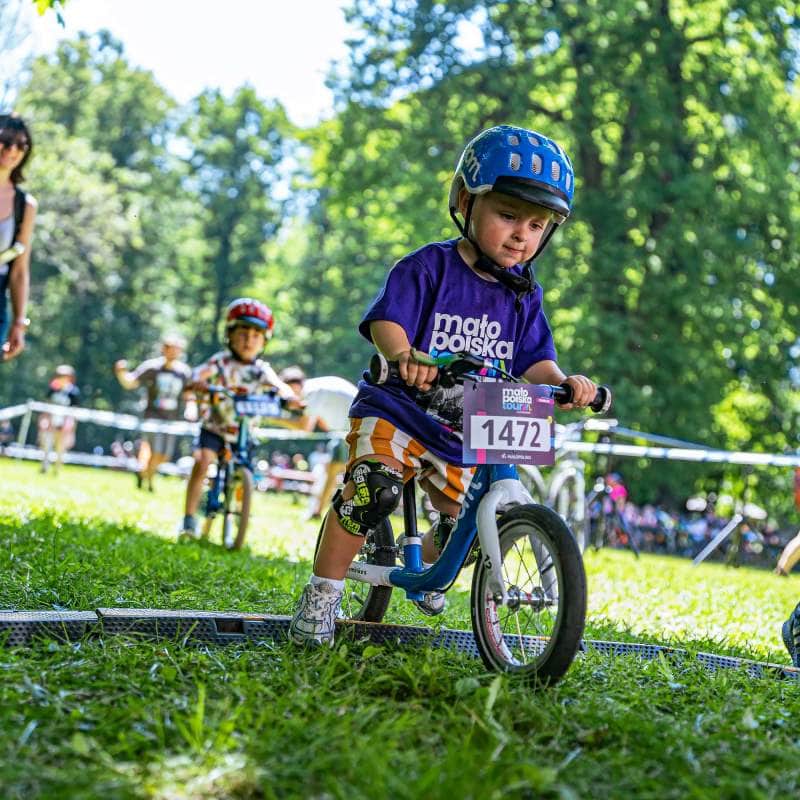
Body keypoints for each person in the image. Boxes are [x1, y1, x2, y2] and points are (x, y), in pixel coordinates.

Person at [290, 124, 598, 646]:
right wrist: (404, 355)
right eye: (507, 215)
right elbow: (388, 322)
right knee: (372, 491)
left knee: (475, 522)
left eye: (537, 224)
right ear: (465, 200)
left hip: (466, 423)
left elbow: (536, 362)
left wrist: (565, 385)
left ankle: (434, 570)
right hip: (400, 410)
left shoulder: (524, 295)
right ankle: (322, 593)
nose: (522, 234)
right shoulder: (429, 267)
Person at [179, 298, 300, 539]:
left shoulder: (261, 370)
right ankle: (189, 520)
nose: (249, 340)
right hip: (216, 426)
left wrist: (290, 398)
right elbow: (198, 374)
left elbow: (279, 386)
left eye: (256, 335)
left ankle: (238, 512)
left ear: (264, 340)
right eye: (243, 333)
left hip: (243, 432)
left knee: (247, 474)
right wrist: (198, 383)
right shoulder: (220, 362)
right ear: (230, 335)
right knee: (203, 461)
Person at [114, 333, 192, 492]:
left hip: (172, 420)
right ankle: (148, 482)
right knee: (155, 451)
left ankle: (143, 474)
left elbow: (188, 395)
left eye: (176, 349)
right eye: (169, 348)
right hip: (152, 418)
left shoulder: (183, 372)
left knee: (165, 455)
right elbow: (131, 382)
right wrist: (121, 373)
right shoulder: (152, 367)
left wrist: (191, 409)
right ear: (163, 349)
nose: (173, 352)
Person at [277, 366, 358, 519]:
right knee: (330, 469)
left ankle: (321, 512)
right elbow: (322, 421)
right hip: (346, 429)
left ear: (294, 385)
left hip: (353, 428)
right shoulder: (314, 388)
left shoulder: (310, 393)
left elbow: (304, 427)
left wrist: (273, 418)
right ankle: (319, 510)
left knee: (335, 470)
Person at [0, 112, 36, 362]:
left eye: (21, 145)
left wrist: (18, 323)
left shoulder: (25, 205)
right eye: (6, 141)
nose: (12, 149)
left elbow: (20, 271)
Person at [38, 364, 80, 474]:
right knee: (46, 445)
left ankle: (57, 468)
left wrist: (70, 427)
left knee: (61, 448)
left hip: (65, 424)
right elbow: (46, 404)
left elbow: (74, 411)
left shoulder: (73, 392)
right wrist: (44, 420)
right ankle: (44, 466)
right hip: (50, 422)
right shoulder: (52, 388)